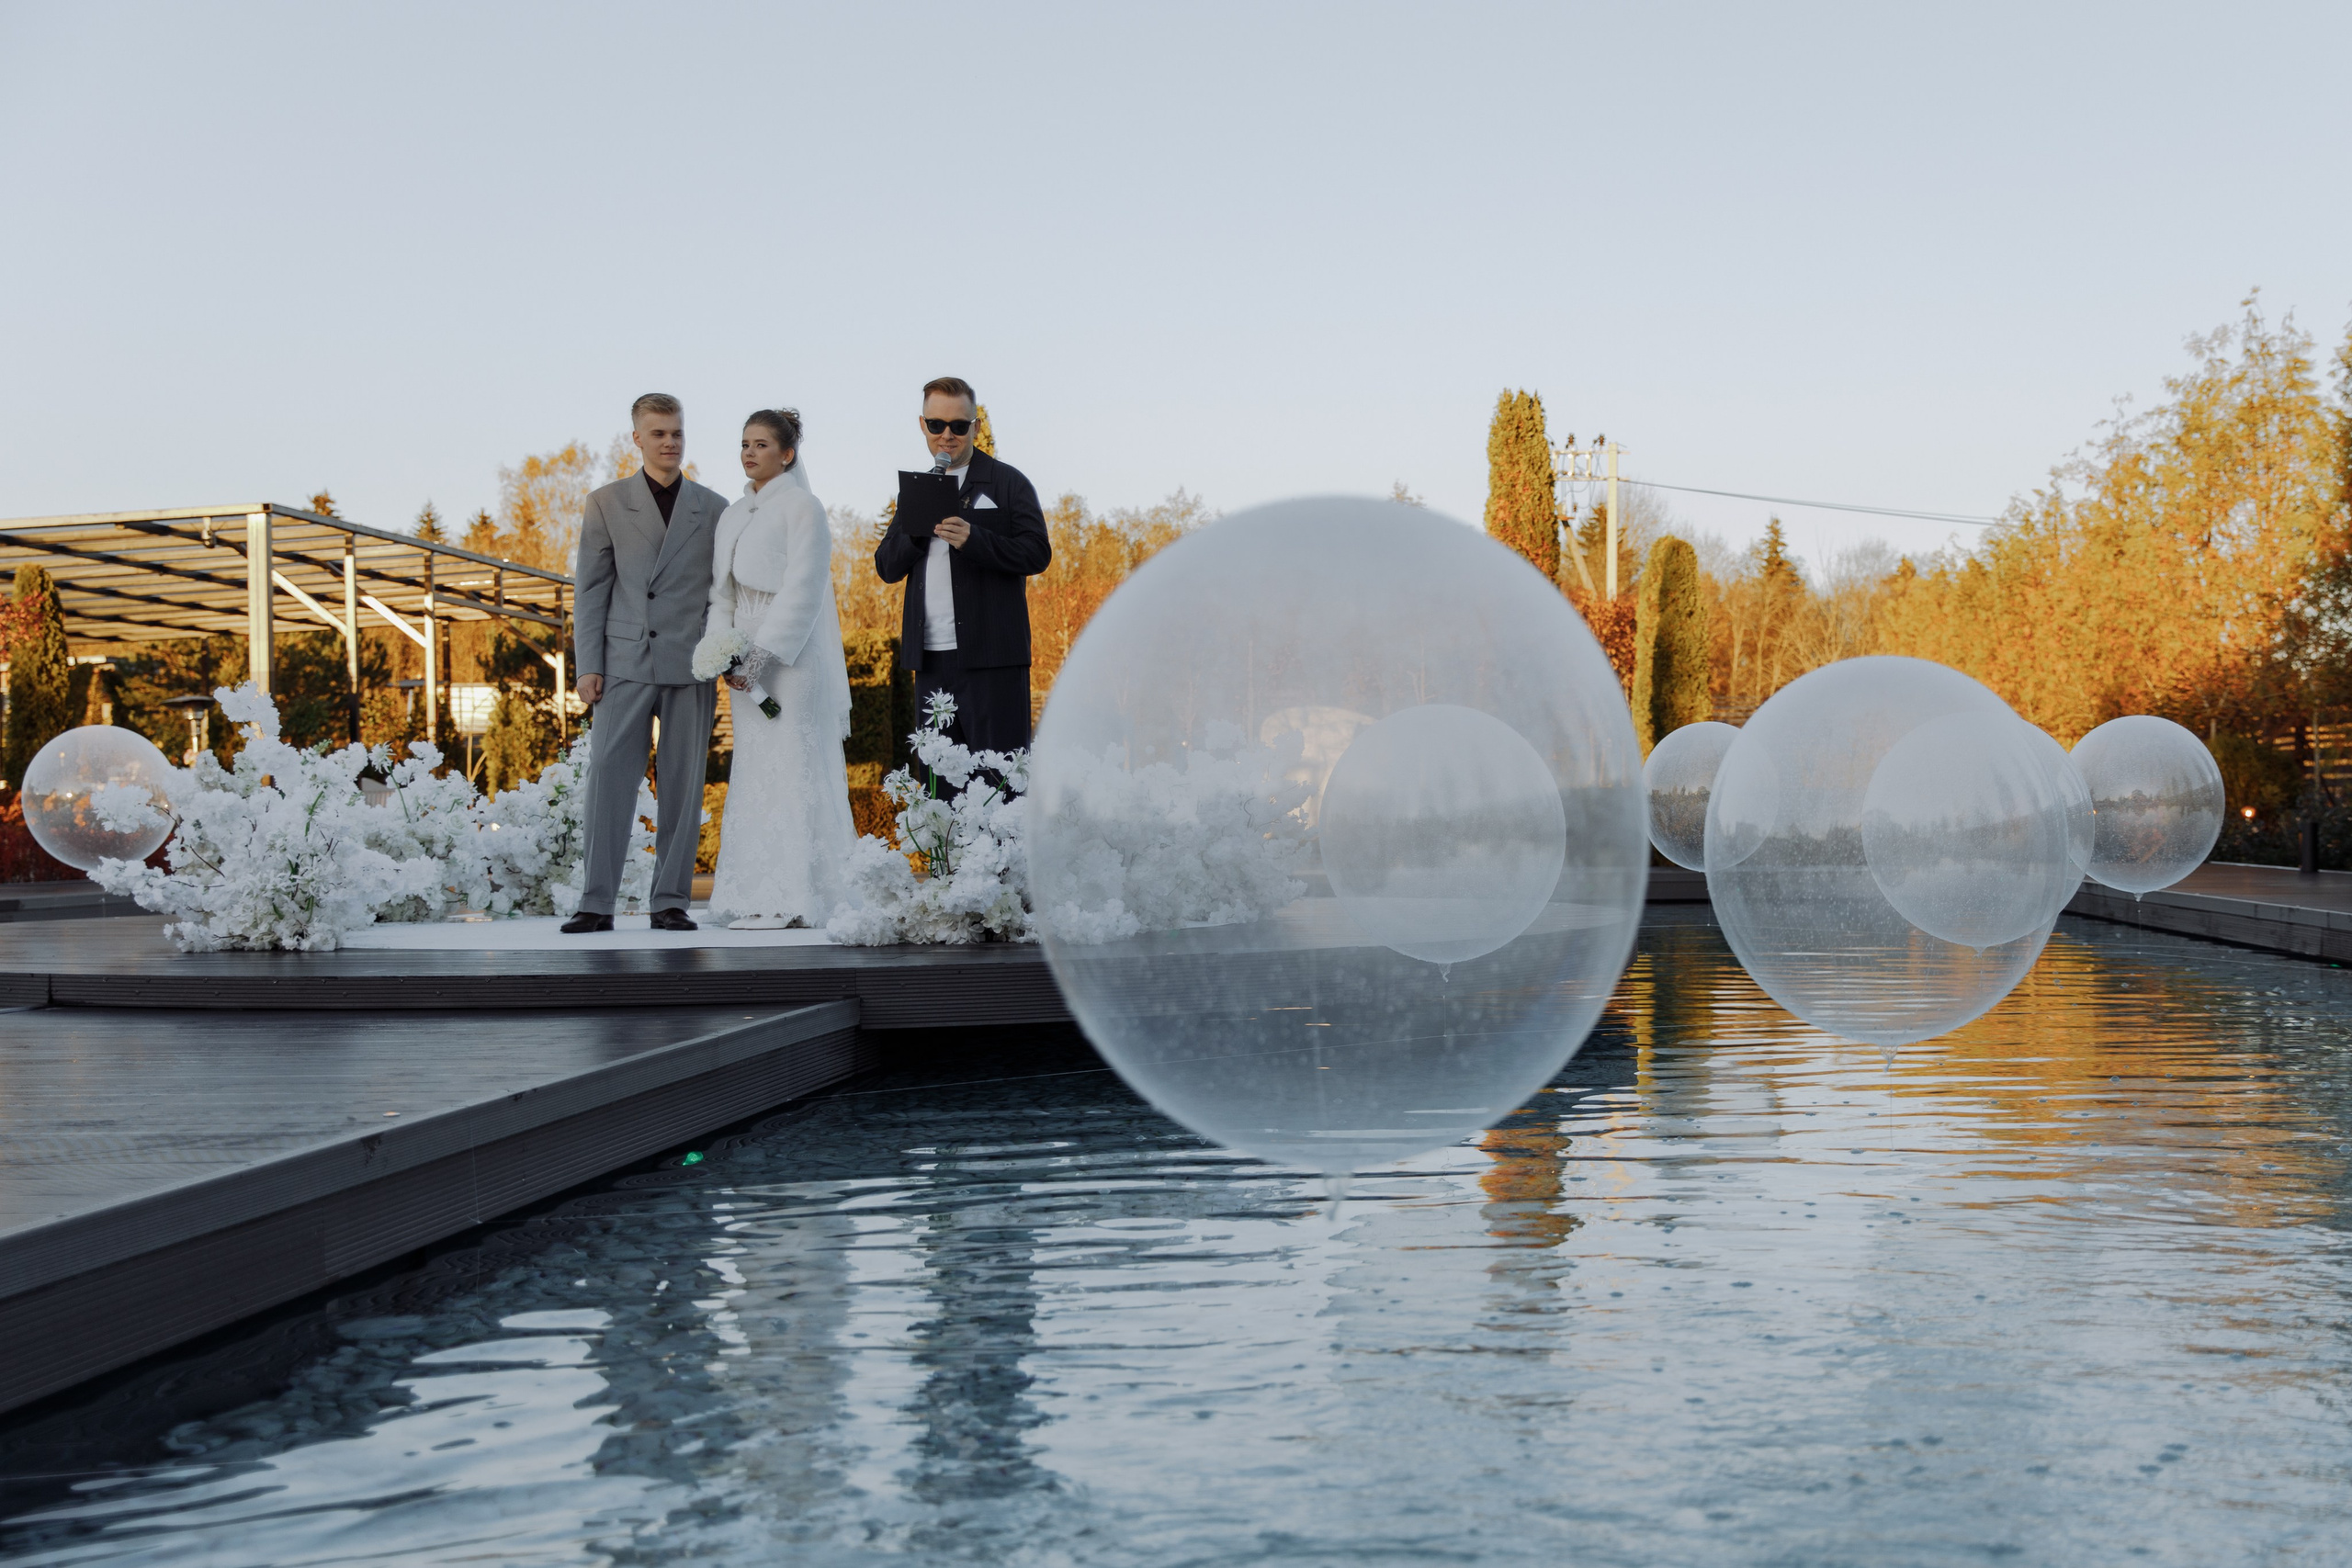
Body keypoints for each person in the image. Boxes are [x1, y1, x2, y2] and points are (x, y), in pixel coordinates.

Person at [562, 392, 729, 934]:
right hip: (622, 661)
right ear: (636, 438)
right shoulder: (605, 502)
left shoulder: (713, 507)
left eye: (677, 432)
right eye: (658, 433)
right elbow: (590, 591)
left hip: (689, 665)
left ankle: (671, 901)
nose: (670, 442)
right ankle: (595, 901)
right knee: (609, 780)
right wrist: (588, 664)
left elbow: (722, 592)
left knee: (683, 785)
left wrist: (720, 650)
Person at [701, 407, 854, 929]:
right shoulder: (731, 515)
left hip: (790, 657)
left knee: (792, 760)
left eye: (762, 444)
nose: (749, 452)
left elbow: (804, 589)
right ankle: (750, 892)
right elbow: (720, 592)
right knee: (754, 767)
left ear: (787, 454)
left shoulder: (803, 508)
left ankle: (799, 895)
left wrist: (763, 657)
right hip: (740, 653)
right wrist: (723, 649)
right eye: (744, 443)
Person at [874, 376, 1051, 754]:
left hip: (995, 658)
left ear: (976, 427)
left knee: (1000, 780)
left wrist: (975, 540)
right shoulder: (915, 491)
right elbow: (886, 567)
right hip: (931, 659)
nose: (947, 435)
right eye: (936, 425)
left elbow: (1037, 553)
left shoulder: (1008, 483)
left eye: (959, 425)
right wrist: (916, 532)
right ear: (922, 425)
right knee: (940, 785)